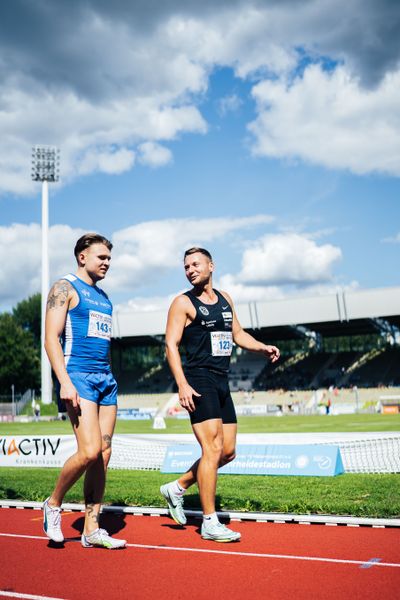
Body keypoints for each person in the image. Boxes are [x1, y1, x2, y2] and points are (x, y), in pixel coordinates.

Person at [161, 247, 280, 542]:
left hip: (221, 380)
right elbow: (170, 345)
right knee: (211, 450)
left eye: (196, 264)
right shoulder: (182, 303)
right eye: (186, 266)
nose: (190, 270)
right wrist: (182, 384)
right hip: (198, 378)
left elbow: (237, 334)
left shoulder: (225, 299)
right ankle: (209, 522)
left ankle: (176, 488)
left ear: (211, 266)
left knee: (227, 452)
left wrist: (262, 347)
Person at [42, 233, 126, 549]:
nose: (107, 263)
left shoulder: (104, 298)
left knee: (103, 454)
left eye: (109, 258)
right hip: (78, 378)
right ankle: (53, 503)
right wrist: (64, 381)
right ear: (82, 257)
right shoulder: (64, 287)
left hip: (106, 381)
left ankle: (91, 529)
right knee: (89, 450)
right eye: (101, 257)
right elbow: (51, 338)